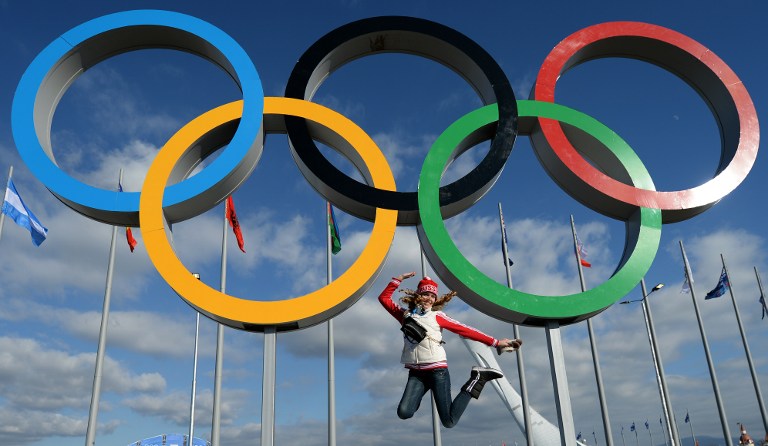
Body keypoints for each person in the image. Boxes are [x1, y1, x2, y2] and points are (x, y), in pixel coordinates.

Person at [378, 271, 522, 428]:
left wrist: (495, 342)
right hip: (417, 373)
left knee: (448, 421)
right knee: (404, 412)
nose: (429, 298)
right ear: (418, 296)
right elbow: (383, 299)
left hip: (437, 371)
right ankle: (422, 392)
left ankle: (478, 378)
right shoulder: (405, 316)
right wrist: (398, 280)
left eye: (432, 296)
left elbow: (465, 329)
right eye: (425, 294)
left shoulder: (437, 316)